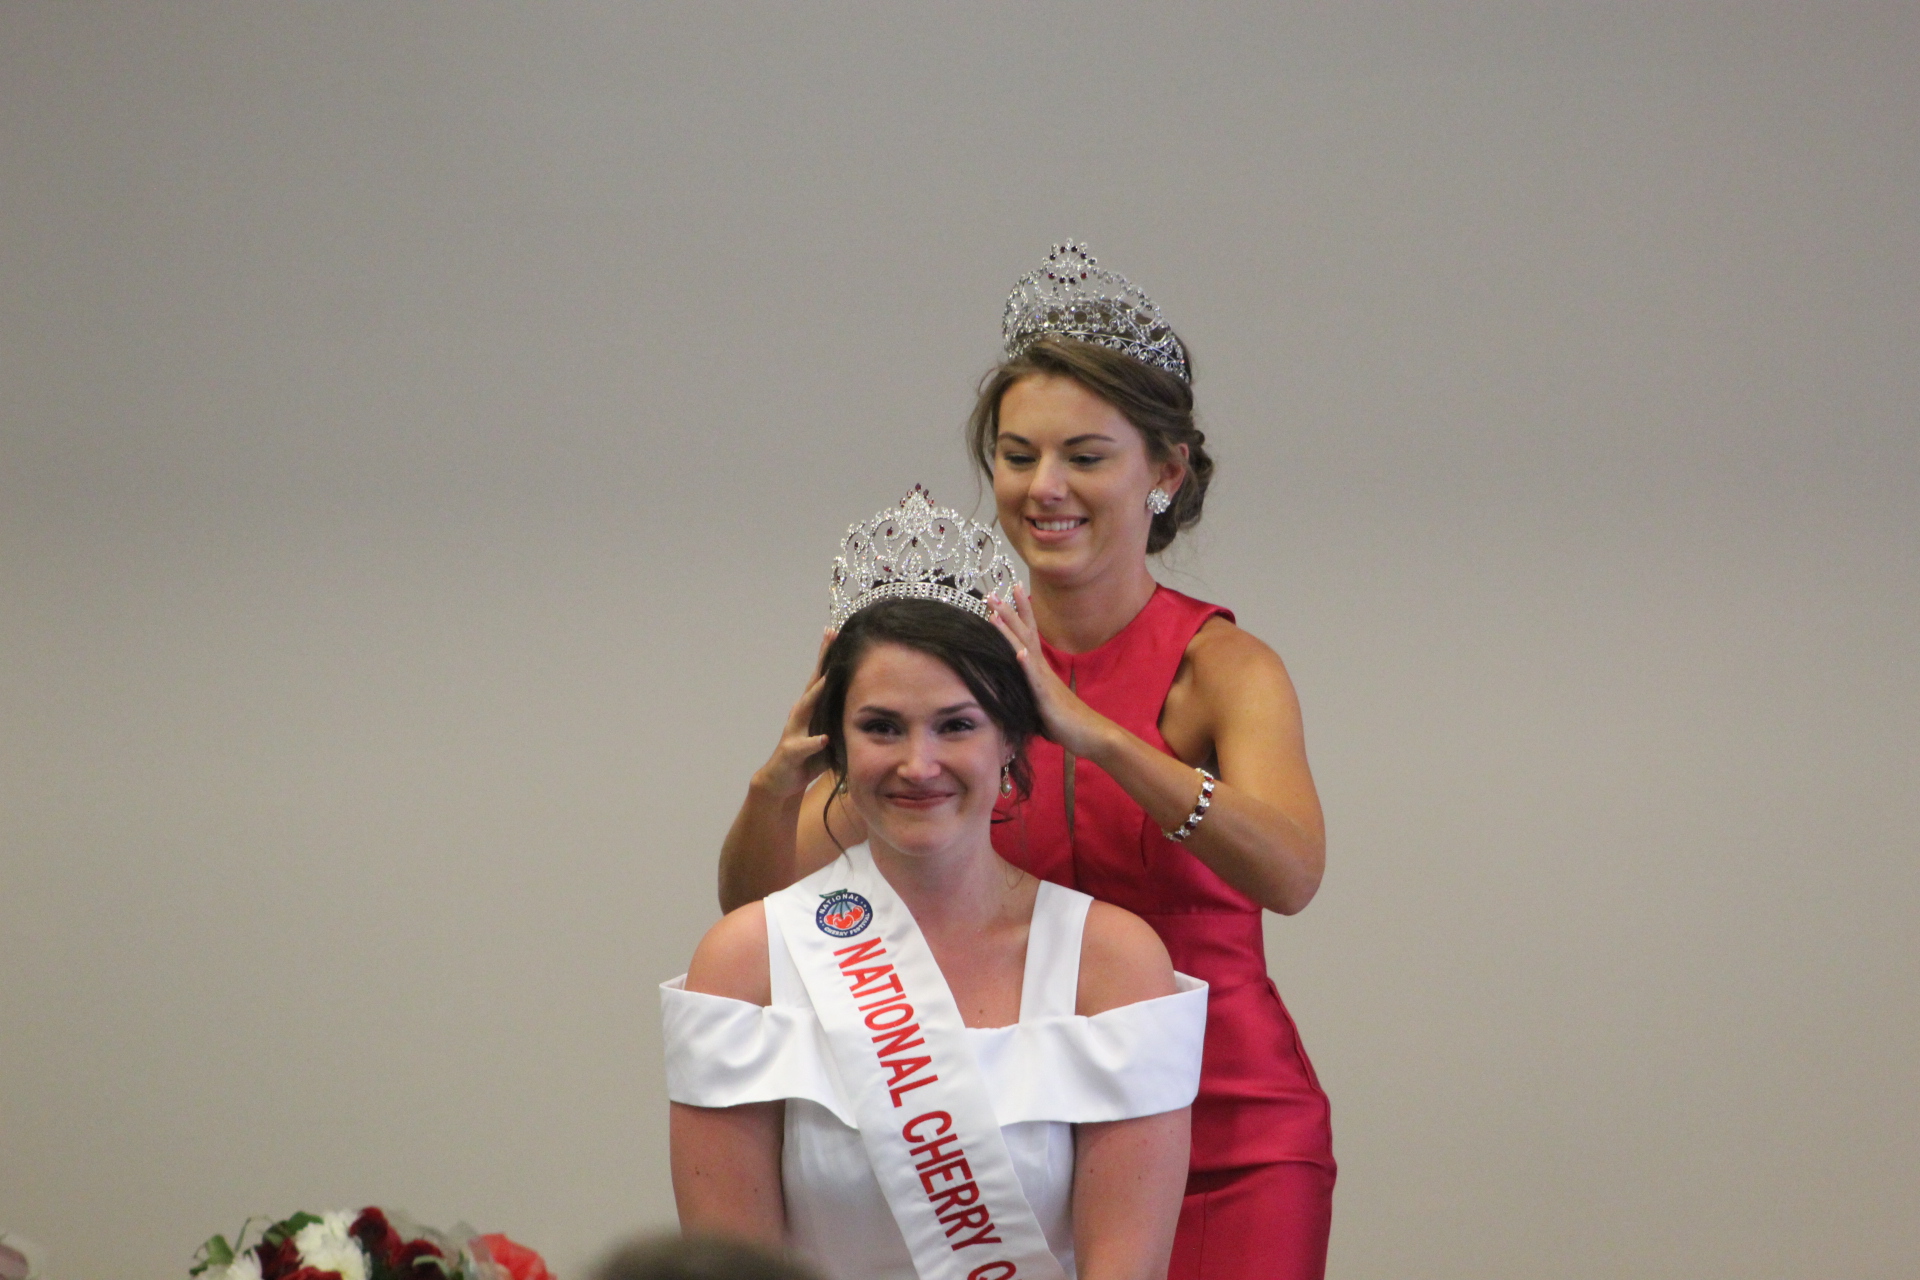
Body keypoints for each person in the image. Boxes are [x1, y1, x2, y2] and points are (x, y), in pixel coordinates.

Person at [716, 245, 1334, 1280]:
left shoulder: (1224, 667)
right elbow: (763, 915)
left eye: (1086, 456)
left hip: (1228, 1129)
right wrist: (773, 784)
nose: (1044, 488)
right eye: (1017, 454)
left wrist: (1096, 735)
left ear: (1166, 472)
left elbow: (1292, 871)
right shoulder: (957, 664)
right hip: (1018, 1136)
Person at [669, 512, 1209, 1280]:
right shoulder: (747, 964)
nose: (918, 765)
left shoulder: (1113, 966)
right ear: (835, 744)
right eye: (882, 727)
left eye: (956, 725)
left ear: (1011, 741)